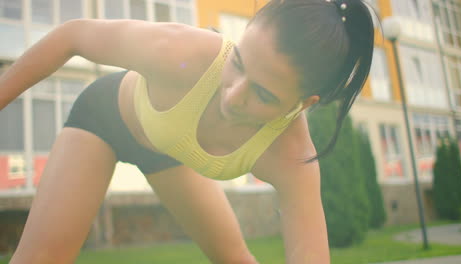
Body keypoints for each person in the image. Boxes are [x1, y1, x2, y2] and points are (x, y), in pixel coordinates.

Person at [0, 0, 374, 263]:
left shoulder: (291, 154)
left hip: (167, 152)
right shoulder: (182, 50)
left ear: (304, 104)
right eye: (239, 62)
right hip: (104, 119)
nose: (233, 95)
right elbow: (73, 36)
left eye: (263, 93)